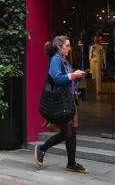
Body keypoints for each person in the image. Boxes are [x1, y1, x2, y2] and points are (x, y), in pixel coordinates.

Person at [34, 35, 89, 173]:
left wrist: (77, 78)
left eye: (69, 46)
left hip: (69, 101)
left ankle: (71, 163)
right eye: (67, 46)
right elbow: (57, 78)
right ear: (59, 47)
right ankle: (42, 148)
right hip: (61, 102)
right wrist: (73, 75)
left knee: (71, 133)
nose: (69, 49)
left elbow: (68, 81)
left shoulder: (65, 61)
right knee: (67, 133)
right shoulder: (55, 60)